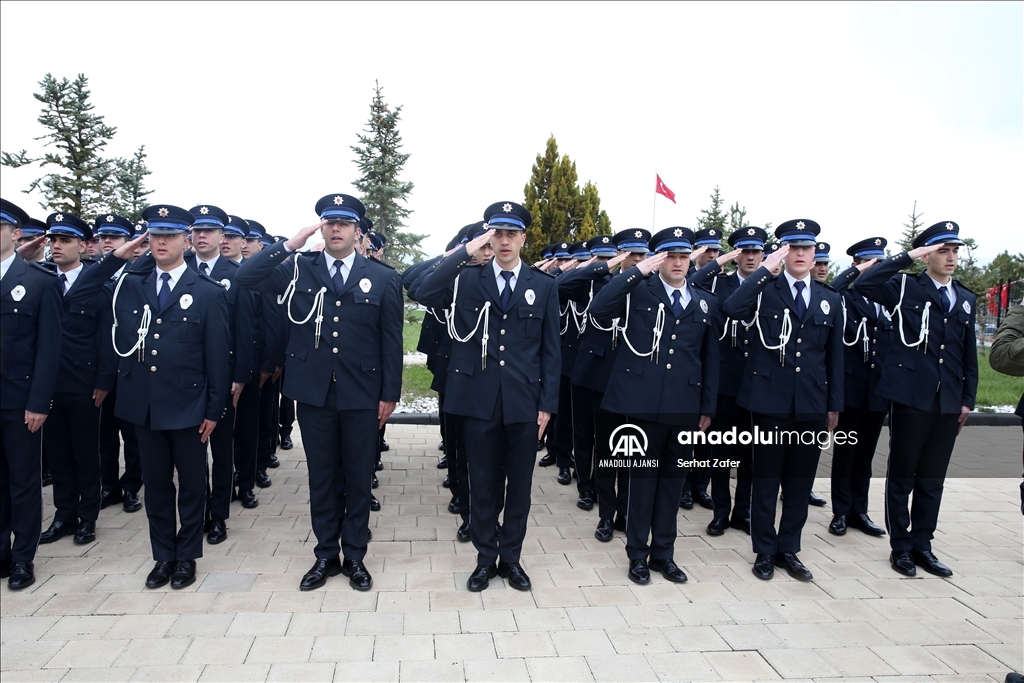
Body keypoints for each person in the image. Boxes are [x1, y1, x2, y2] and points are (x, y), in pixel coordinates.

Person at [236, 194, 403, 592]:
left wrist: (390, 394)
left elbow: (390, 340)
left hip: (363, 392)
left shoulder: (383, 278)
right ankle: (326, 554)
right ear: (320, 227)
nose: (335, 228)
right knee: (323, 477)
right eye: (329, 221)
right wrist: (291, 243)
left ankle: (356, 556)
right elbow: (246, 278)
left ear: (357, 231)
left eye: (344, 223)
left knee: (358, 476)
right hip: (313, 392)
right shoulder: (298, 269)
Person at [70, 204, 231, 589]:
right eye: (155, 234)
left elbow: (217, 358)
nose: (161, 242)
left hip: (189, 406)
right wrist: (116, 257)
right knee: (156, 485)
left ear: (186, 240)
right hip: (143, 406)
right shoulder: (130, 285)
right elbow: (80, 294)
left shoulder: (207, 293)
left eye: (170, 235)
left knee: (192, 485)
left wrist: (213, 409)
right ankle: (163, 556)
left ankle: (187, 556)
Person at [415, 202, 560, 592]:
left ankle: (511, 558)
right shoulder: (467, 279)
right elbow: (419, 287)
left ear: (524, 238)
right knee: (481, 484)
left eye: (512, 233)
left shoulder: (543, 286)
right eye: (497, 232)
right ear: (488, 237)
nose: (505, 240)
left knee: (520, 487)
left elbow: (551, 352)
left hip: (524, 403)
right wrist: (464, 251)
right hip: (477, 401)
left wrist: (547, 404)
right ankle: (485, 557)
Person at [589, 227, 718, 585]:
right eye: (669, 256)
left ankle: (664, 553)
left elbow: (710, 358)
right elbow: (599, 308)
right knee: (643, 483)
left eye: (682, 256)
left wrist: (706, 407)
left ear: (690, 258)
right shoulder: (638, 290)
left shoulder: (704, 300)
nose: (677, 263)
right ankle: (637, 555)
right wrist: (638, 270)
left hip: (684, 406)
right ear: (658, 259)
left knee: (672, 486)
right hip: (643, 406)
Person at [853, 221, 978, 578]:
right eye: (943, 250)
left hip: (948, 399)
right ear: (926, 255)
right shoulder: (905, 286)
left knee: (932, 478)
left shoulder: (965, 298)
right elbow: (864, 284)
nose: (951, 257)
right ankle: (901, 546)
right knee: (903, 474)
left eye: (955, 251)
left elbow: (967, 354)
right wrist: (905, 257)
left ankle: (924, 544)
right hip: (911, 396)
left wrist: (967, 398)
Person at [723, 219, 843, 582]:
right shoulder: (764, 288)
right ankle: (764, 549)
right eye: (793, 247)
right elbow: (731, 309)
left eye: (807, 247)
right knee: (766, 478)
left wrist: (833, 405)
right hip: (768, 401)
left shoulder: (829, 298)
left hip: (810, 402)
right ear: (783, 251)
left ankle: (789, 548)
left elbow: (834, 357)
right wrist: (764, 269)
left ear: (815, 251)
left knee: (799, 481)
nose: (802, 254)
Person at [567, 229, 650, 541]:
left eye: (642, 255)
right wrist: (605, 265)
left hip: (634, 378)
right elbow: (563, 286)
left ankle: (625, 511)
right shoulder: (600, 280)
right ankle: (602, 508)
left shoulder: (652, 287)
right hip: (599, 375)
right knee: (602, 445)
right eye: (631, 254)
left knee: (629, 448)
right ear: (620, 254)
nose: (637, 261)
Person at [687, 227, 769, 537]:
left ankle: (742, 512)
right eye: (743, 251)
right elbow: (691, 285)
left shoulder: (769, 285)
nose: (750, 257)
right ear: (735, 254)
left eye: (755, 251)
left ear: (763, 254)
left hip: (760, 384)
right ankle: (721, 512)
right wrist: (715, 264)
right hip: (725, 382)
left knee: (751, 456)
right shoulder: (718, 283)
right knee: (719, 453)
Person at [0, 199, 63, 589]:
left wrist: (39, 401)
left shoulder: (39, 282)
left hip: (19, 401)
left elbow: (49, 349)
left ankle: (23, 555)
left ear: (15, 233)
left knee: (23, 481)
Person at [184, 205, 254, 544]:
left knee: (222, 448)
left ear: (221, 236)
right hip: (185, 377)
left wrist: (240, 375)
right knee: (191, 452)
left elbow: (244, 328)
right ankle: (197, 513)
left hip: (223, 375)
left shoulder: (236, 273)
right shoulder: (176, 267)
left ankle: (220, 515)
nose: (201, 236)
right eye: (196, 230)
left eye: (208, 231)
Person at [38, 212, 109, 547]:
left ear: (83, 245)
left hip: (84, 384)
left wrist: (103, 381)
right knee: (58, 454)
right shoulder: (40, 282)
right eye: (53, 240)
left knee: (84, 453)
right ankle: (63, 515)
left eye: (65, 240)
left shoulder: (97, 286)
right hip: (48, 385)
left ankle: (88, 517)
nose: (56, 246)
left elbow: (106, 339)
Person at [825, 237, 892, 537]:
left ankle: (859, 511)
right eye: (870, 263)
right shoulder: (845, 298)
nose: (876, 269)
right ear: (857, 265)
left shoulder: (889, 300)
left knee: (865, 456)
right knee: (846, 455)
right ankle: (841, 512)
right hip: (851, 389)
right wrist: (855, 273)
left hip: (877, 390)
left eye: (881, 263)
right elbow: (831, 288)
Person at [93, 214, 144, 513]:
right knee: (104, 435)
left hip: (131, 370)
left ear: (129, 243)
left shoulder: (139, 278)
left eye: (114, 237)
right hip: (98, 370)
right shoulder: (94, 275)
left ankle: (132, 486)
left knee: (134, 435)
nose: (107, 242)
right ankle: (108, 485)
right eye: (103, 237)